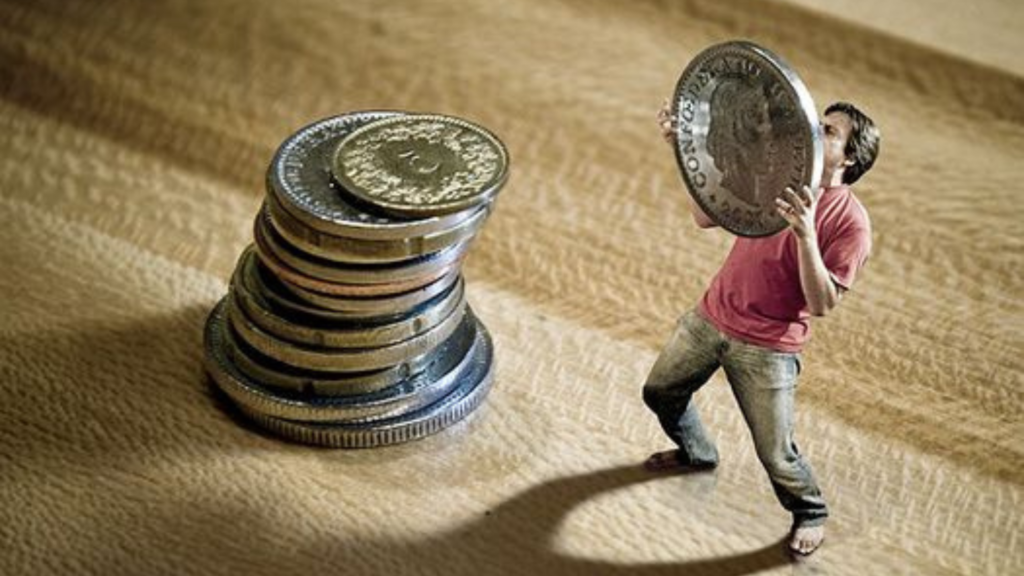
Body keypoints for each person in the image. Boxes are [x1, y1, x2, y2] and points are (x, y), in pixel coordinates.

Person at [646, 99, 880, 556]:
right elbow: (705, 215)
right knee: (659, 392)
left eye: (829, 131)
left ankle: (810, 510)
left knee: (776, 453)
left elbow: (823, 303)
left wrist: (806, 233)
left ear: (850, 159)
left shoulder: (852, 224)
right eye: (817, 123)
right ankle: (698, 453)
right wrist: (683, 148)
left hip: (769, 347)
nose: (815, 130)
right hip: (710, 317)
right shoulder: (777, 176)